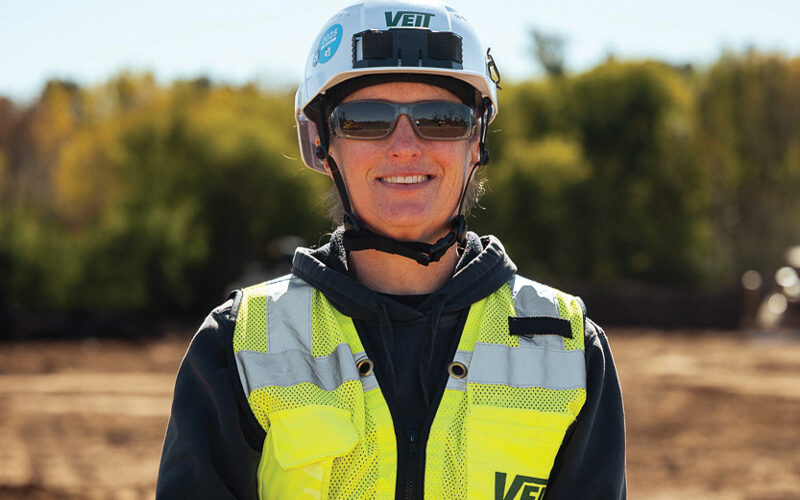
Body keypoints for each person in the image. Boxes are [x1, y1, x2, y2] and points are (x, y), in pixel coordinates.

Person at [156, 1, 626, 498]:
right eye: (365, 119)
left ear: (477, 141)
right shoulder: (239, 344)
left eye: (441, 118)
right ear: (321, 142)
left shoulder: (570, 348)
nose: (405, 146)